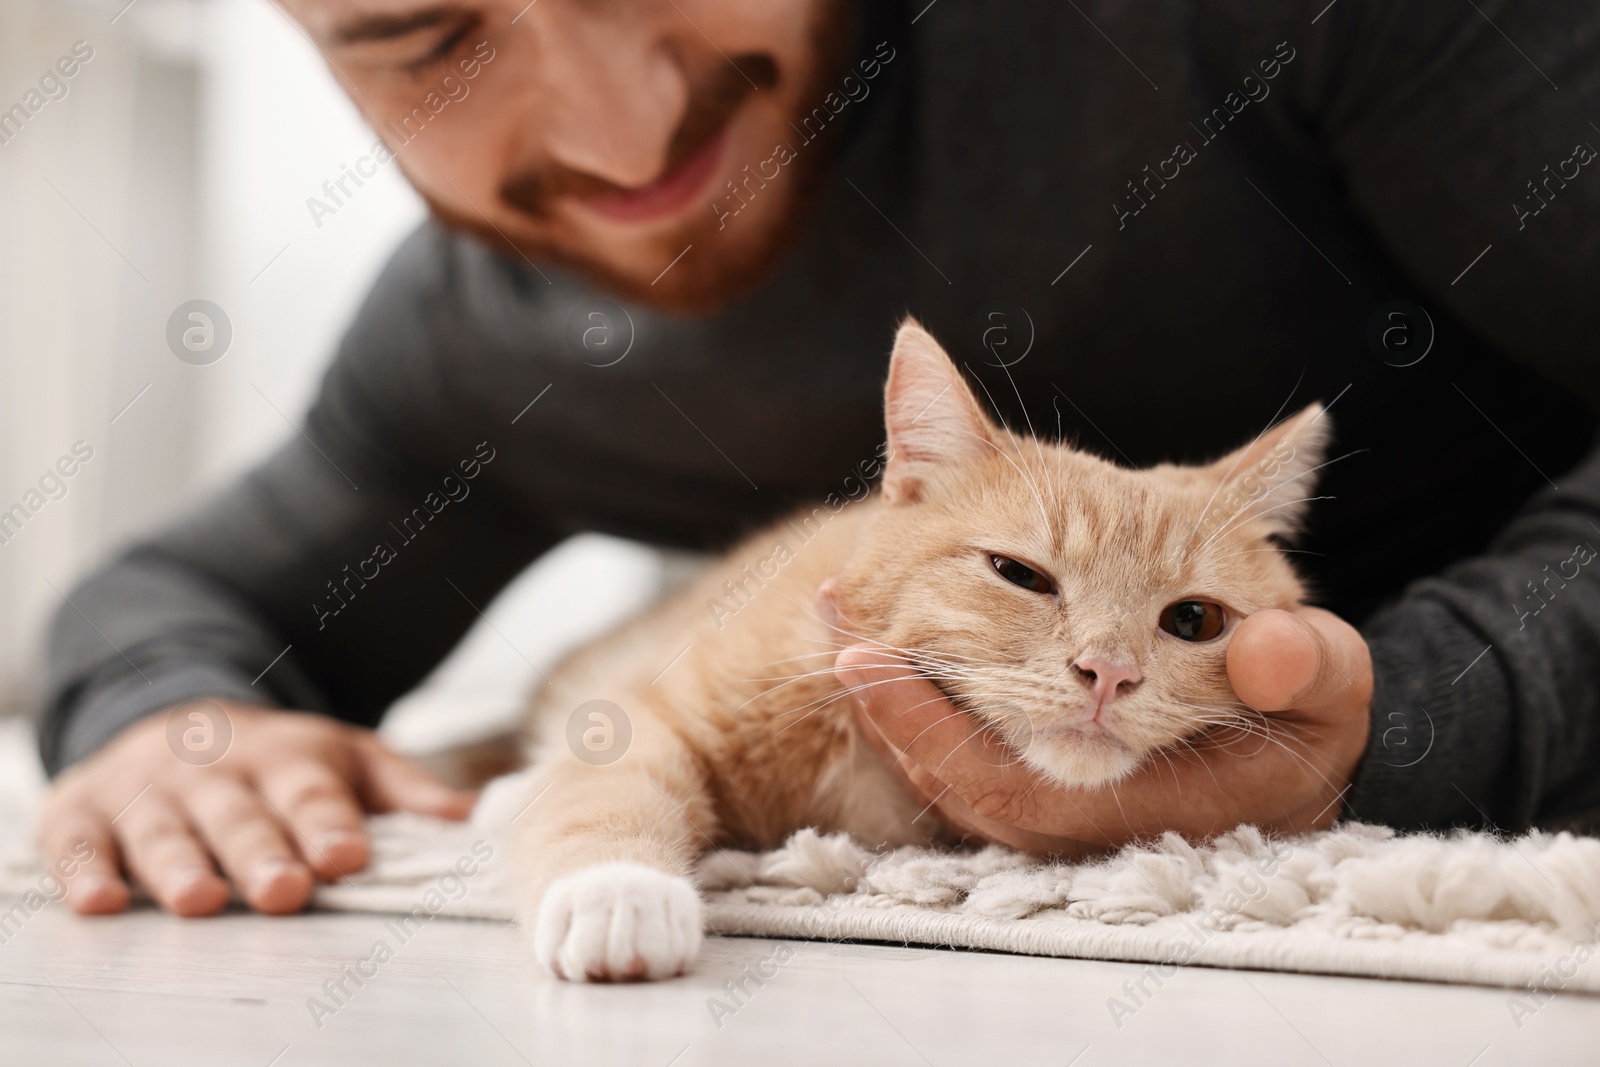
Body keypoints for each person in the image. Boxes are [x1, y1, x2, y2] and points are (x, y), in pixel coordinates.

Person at [37, 0, 1600, 916]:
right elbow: (174, 595)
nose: (620, 134)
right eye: (425, 35)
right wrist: (178, 724)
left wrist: (1424, 715)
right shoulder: (479, 328)